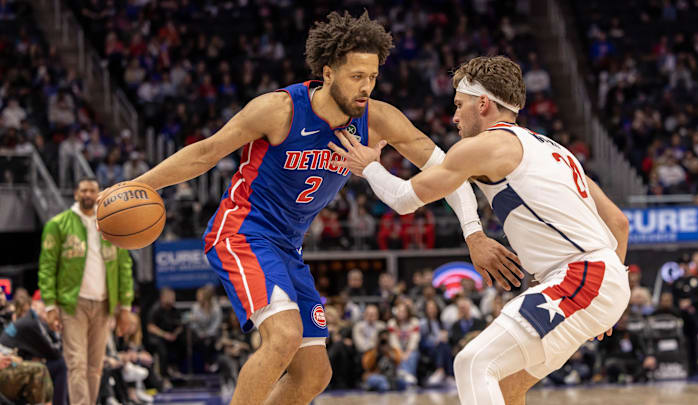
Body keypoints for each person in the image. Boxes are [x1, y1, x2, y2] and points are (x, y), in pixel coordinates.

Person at [100, 11, 521, 405]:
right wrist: (138, 184)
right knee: (282, 337)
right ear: (327, 72)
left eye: (372, 77)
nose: (366, 87)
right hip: (242, 231)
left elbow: (448, 169)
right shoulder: (278, 109)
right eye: (357, 76)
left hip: (288, 246)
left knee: (314, 374)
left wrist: (474, 232)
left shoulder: (379, 120)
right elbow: (205, 153)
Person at [333, 55, 631, 405]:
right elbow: (618, 224)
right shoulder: (556, 150)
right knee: (505, 388)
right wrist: (609, 298)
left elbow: (403, 199)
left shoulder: (485, 145)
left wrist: (370, 168)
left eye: (460, 105)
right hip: (597, 278)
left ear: (484, 103)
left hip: (583, 276)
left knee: (473, 363)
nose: (455, 116)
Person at [38, 177, 134, 405]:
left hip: (103, 303)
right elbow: (47, 266)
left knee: (95, 366)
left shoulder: (111, 225)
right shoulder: (58, 224)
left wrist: (126, 307)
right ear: (75, 194)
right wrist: (50, 305)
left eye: (92, 190)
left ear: (99, 194)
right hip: (73, 304)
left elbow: (124, 267)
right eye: (84, 191)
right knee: (76, 363)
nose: (88, 194)